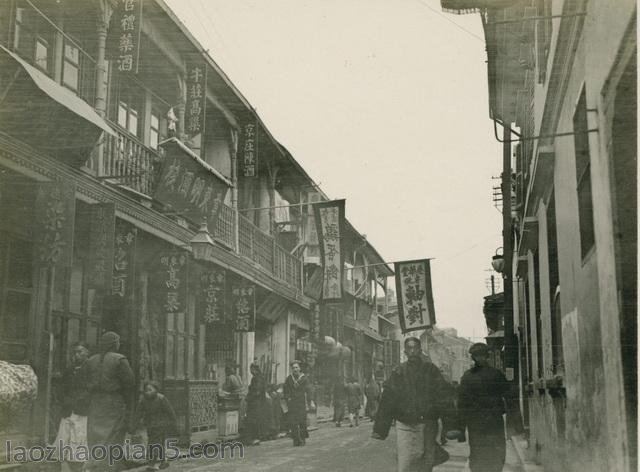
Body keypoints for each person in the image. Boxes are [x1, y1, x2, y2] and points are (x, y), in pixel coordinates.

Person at [372, 337, 450, 472]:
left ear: (420, 350)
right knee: (405, 461)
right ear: (405, 351)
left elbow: (443, 396)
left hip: (428, 422)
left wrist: (451, 425)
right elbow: (388, 400)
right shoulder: (399, 371)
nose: (412, 351)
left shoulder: (431, 370)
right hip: (405, 422)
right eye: (409, 348)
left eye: (415, 348)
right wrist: (380, 429)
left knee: (426, 460)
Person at [457, 343, 510, 472]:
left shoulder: (471, 376)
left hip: (487, 421)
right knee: (482, 454)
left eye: (481, 355)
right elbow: (462, 404)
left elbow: (508, 395)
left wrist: (461, 429)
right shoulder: (493, 375)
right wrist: (461, 429)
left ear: (486, 356)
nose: (479, 358)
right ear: (474, 357)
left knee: (489, 454)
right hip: (483, 421)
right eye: (477, 356)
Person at [86, 331, 135, 471]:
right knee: (114, 432)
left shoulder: (91, 360)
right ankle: (110, 465)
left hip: (96, 402)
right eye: (118, 342)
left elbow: (85, 382)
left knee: (96, 433)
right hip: (114, 401)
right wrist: (129, 404)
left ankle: (96, 464)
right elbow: (130, 383)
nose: (119, 344)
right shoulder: (120, 359)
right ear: (114, 344)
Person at [54, 343, 91, 472]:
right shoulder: (69, 369)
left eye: (80, 352)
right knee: (64, 436)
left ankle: (79, 465)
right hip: (67, 408)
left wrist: (78, 401)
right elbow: (62, 387)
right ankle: (64, 464)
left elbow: (90, 389)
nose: (77, 355)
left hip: (80, 409)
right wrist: (65, 400)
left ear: (87, 354)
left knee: (78, 437)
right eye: (75, 352)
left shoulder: (90, 369)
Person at [133, 381, 177, 471]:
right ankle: (163, 461)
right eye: (146, 390)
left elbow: (170, 412)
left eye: (150, 390)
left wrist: (173, 422)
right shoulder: (143, 400)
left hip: (161, 424)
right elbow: (138, 413)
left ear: (156, 390)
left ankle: (152, 464)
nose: (148, 392)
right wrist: (134, 424)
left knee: (154, 443)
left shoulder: (161, 398)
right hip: (150, 425)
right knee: (158, 443)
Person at [283, 361, 313, 446]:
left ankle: (302, 439)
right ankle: (296, 440)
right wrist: (287, 398)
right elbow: (286, 390)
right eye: (293, 368)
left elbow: (309, 390)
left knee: (302, 421)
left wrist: (310, 400)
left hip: (301, 403)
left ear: (299, 368)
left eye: (296, 367)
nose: (295, 369)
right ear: (291, 369)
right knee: (293, 422)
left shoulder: (304, 378)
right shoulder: (289, 379)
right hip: (292, 403)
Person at [245, 363, 268, 445]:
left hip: (256, 402)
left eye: (251, 369)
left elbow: (257, 391)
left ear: (254, 370)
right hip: (259, 402)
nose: (251, 371)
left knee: (254, 420)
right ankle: (258, 437)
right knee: (257, 419)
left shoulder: (256, 378)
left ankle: (256, 437)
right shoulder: (260, 377)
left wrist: (249, 397)